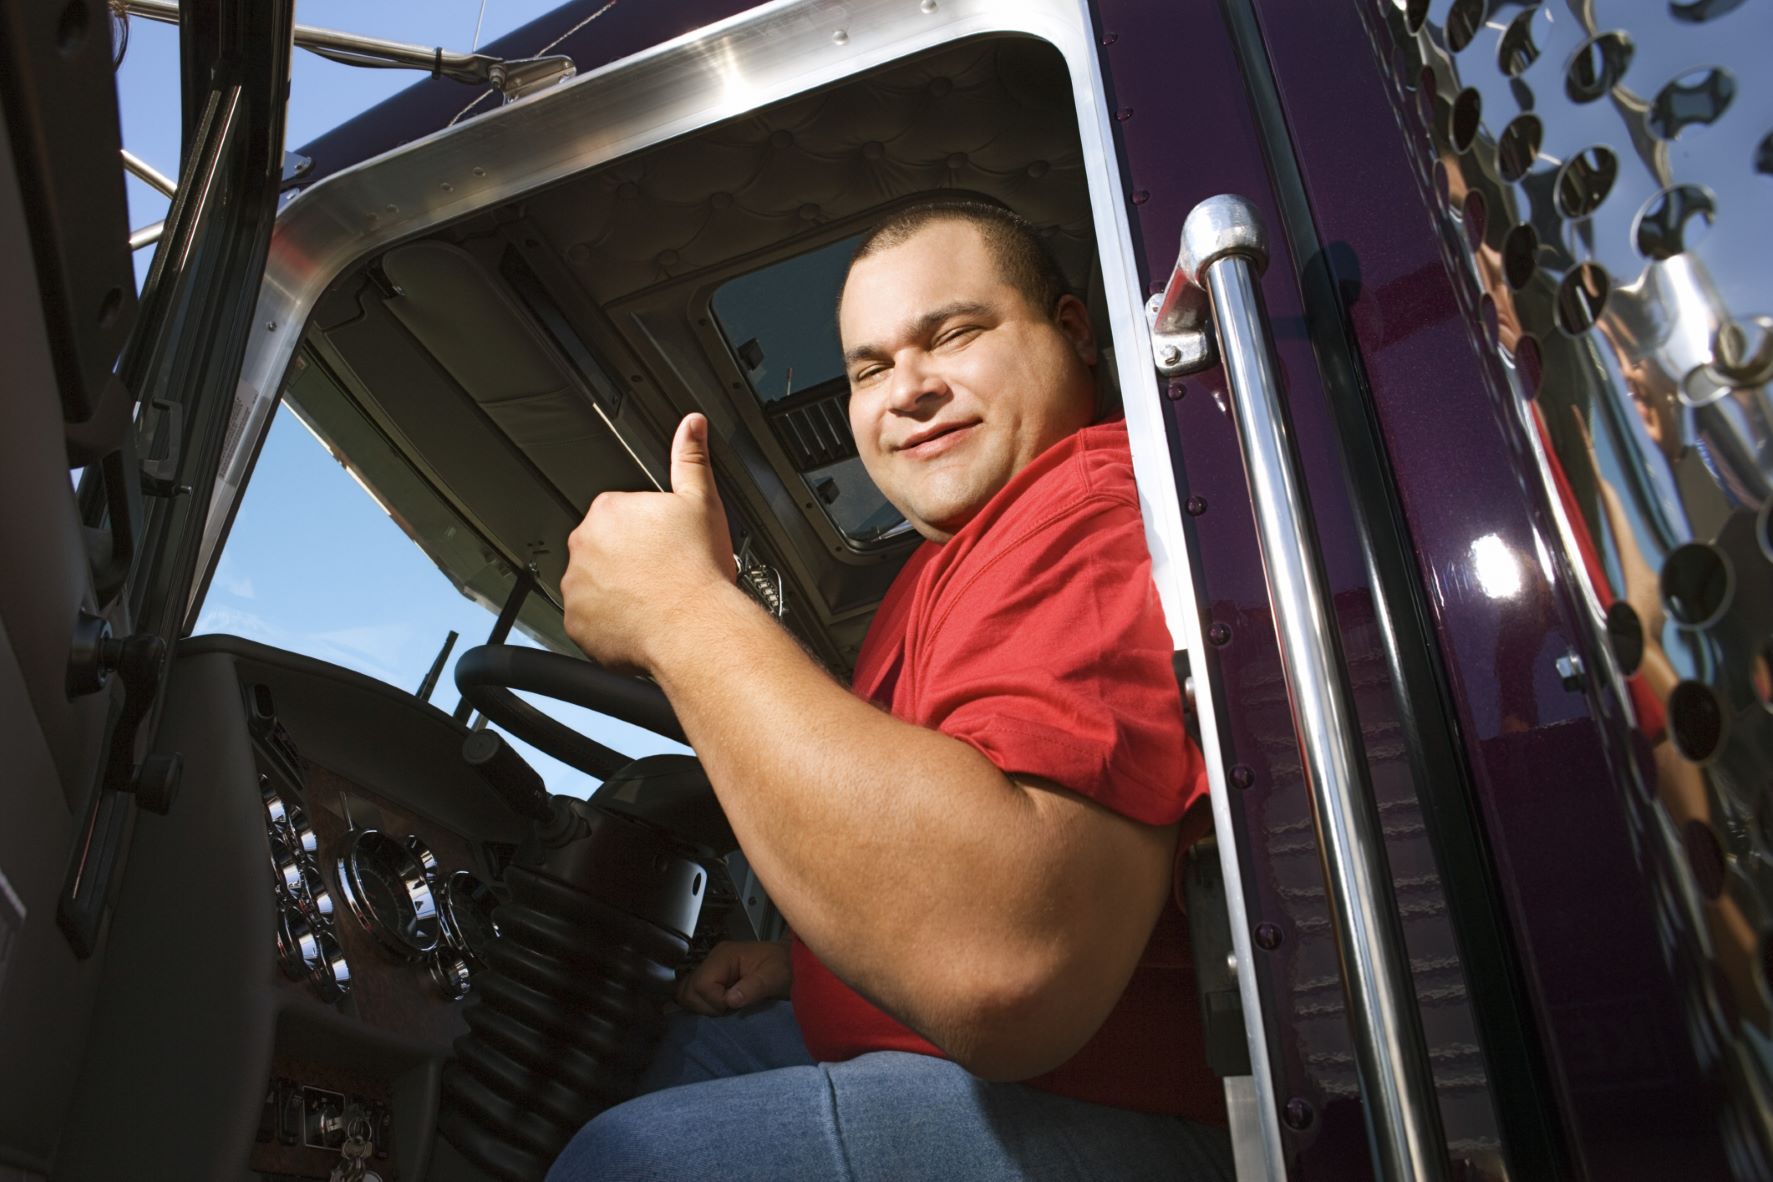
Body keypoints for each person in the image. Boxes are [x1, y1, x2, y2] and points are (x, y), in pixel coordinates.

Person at [551, 200, 1231, 1180]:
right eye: (869, 369)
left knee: (631, 1162)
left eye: (952, 335)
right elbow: (924, 829)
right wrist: (805, 966)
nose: (906, 390)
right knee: (680, 1053)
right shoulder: (940, 570)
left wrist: (682, 617)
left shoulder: (1087, 508)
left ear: (1073, 332)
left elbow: (1007, 962)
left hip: (1101, 1109)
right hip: (906, 1049)